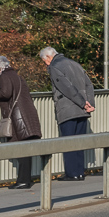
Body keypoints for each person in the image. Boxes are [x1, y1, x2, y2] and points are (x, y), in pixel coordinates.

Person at [39, 47, 95, 181]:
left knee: (68, 142)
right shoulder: (75, 64)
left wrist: (82, 103)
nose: (45, 64)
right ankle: (80, 172)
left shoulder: (54, 67)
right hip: (82, 111)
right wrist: (89, 103)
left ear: (48, 57)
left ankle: (72, 173)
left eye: (44, 61)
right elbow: (89, 85)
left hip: (68, 110)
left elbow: (66, 88)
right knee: (80, 142)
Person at [0, 56, 42, 189]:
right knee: (26, 149)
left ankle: (23, 181)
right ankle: (25, 180)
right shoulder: (18, 76)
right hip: (28, 116)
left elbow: (5, 93)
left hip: (18, 118)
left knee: (21, 150)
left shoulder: (4, 76)